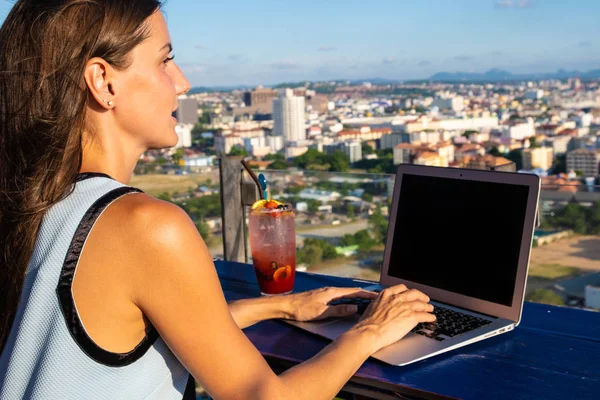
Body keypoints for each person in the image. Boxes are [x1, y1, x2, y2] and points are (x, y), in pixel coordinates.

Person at [0, 1, 436, 399]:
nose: (183, 83)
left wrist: (282, 304)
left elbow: (138, 326)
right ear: (102, 81)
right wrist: (370, 331)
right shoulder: (145, 225)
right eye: (165, 60)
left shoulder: (41, 202)